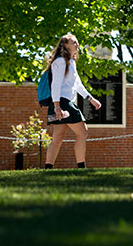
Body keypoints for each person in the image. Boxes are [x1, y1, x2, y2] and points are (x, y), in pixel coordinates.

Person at [44, 34, 102, 169]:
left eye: (77, 42)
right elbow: (55, 85)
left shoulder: (71, 62)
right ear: (65, 45)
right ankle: (81, 167)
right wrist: (57, 107)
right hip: (62, 103)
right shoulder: (60, 61)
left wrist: (91, 99)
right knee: (82, 132)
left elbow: (77, 85)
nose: (77, 45)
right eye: (73, 42)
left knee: (57, 138)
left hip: (63, 102)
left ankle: (48, 168)